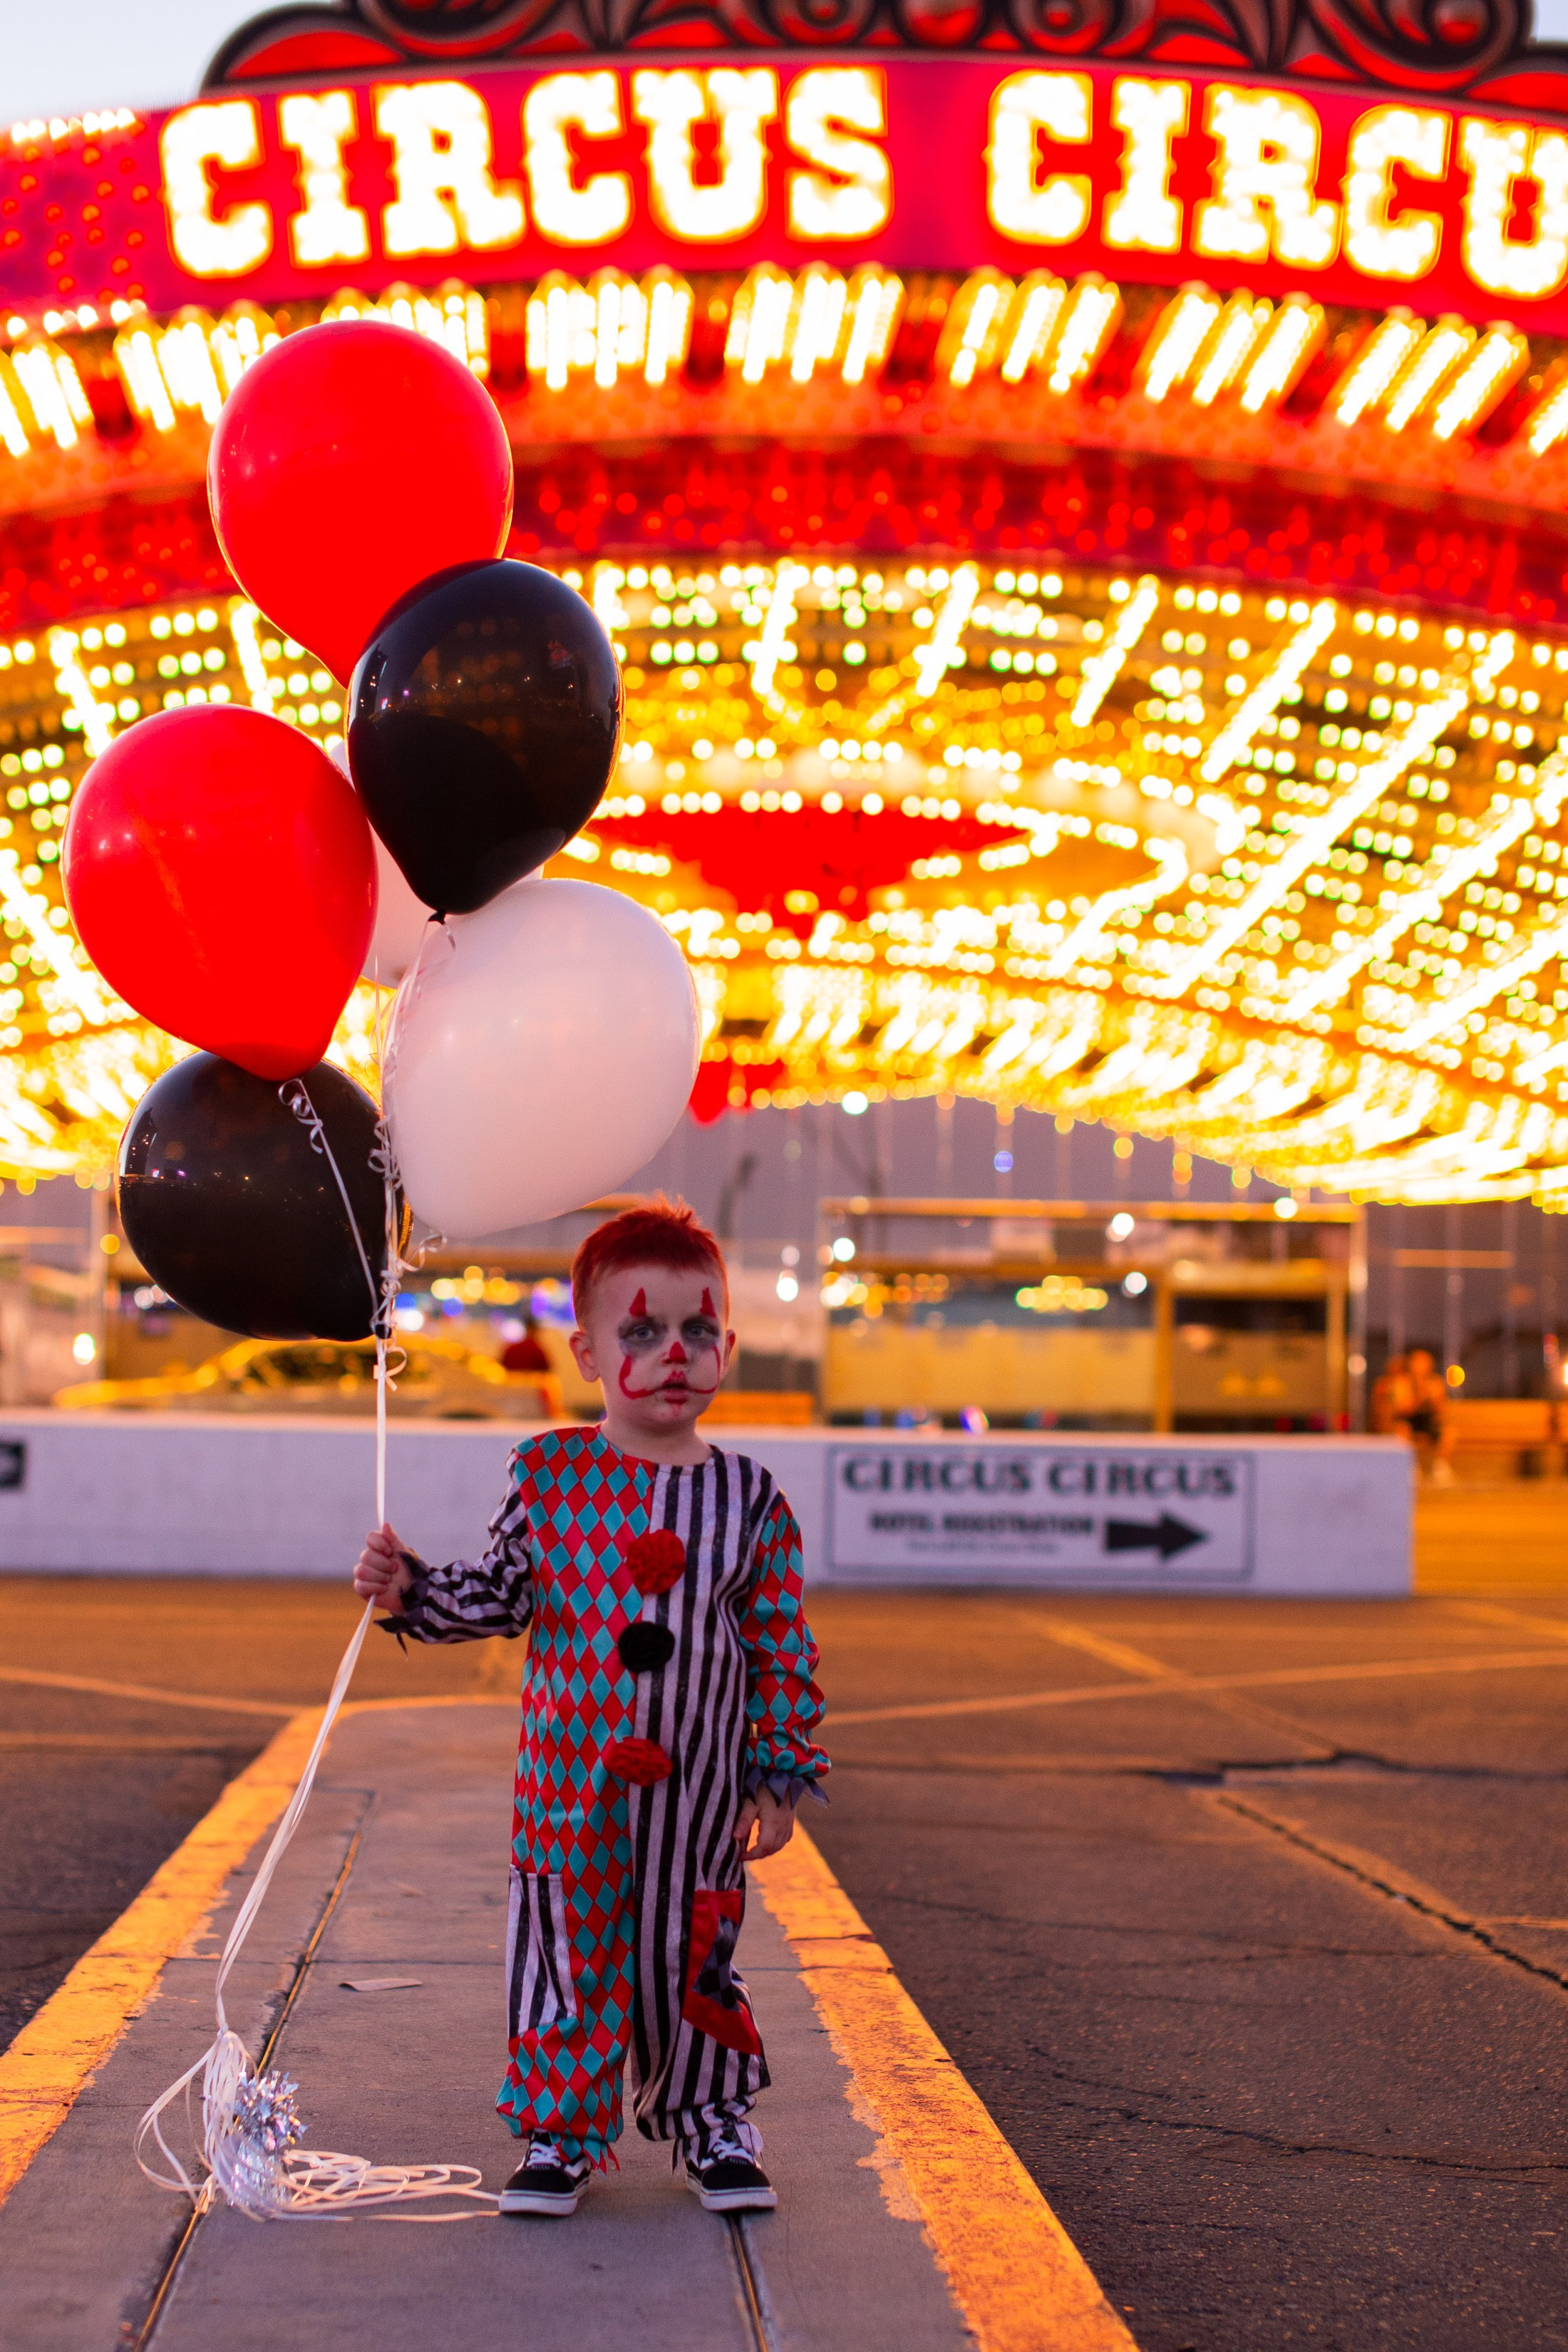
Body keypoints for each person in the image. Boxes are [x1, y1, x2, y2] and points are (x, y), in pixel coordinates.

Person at [352, 1198, 828, 2222]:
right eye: (643, 1331)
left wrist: (779, 1770)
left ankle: (712, 2126)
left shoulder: (750, 1499)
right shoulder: (553, 1475)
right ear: (587, 1350)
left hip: (697, 1803)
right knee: (567, 1951)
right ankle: (561, 2133)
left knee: (691, 1951)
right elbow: (503, 1594)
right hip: (570, 1799)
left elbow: (782, 1645)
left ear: (730, 1346)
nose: (673, 1354)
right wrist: (411, 1593)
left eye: (699, 1331)